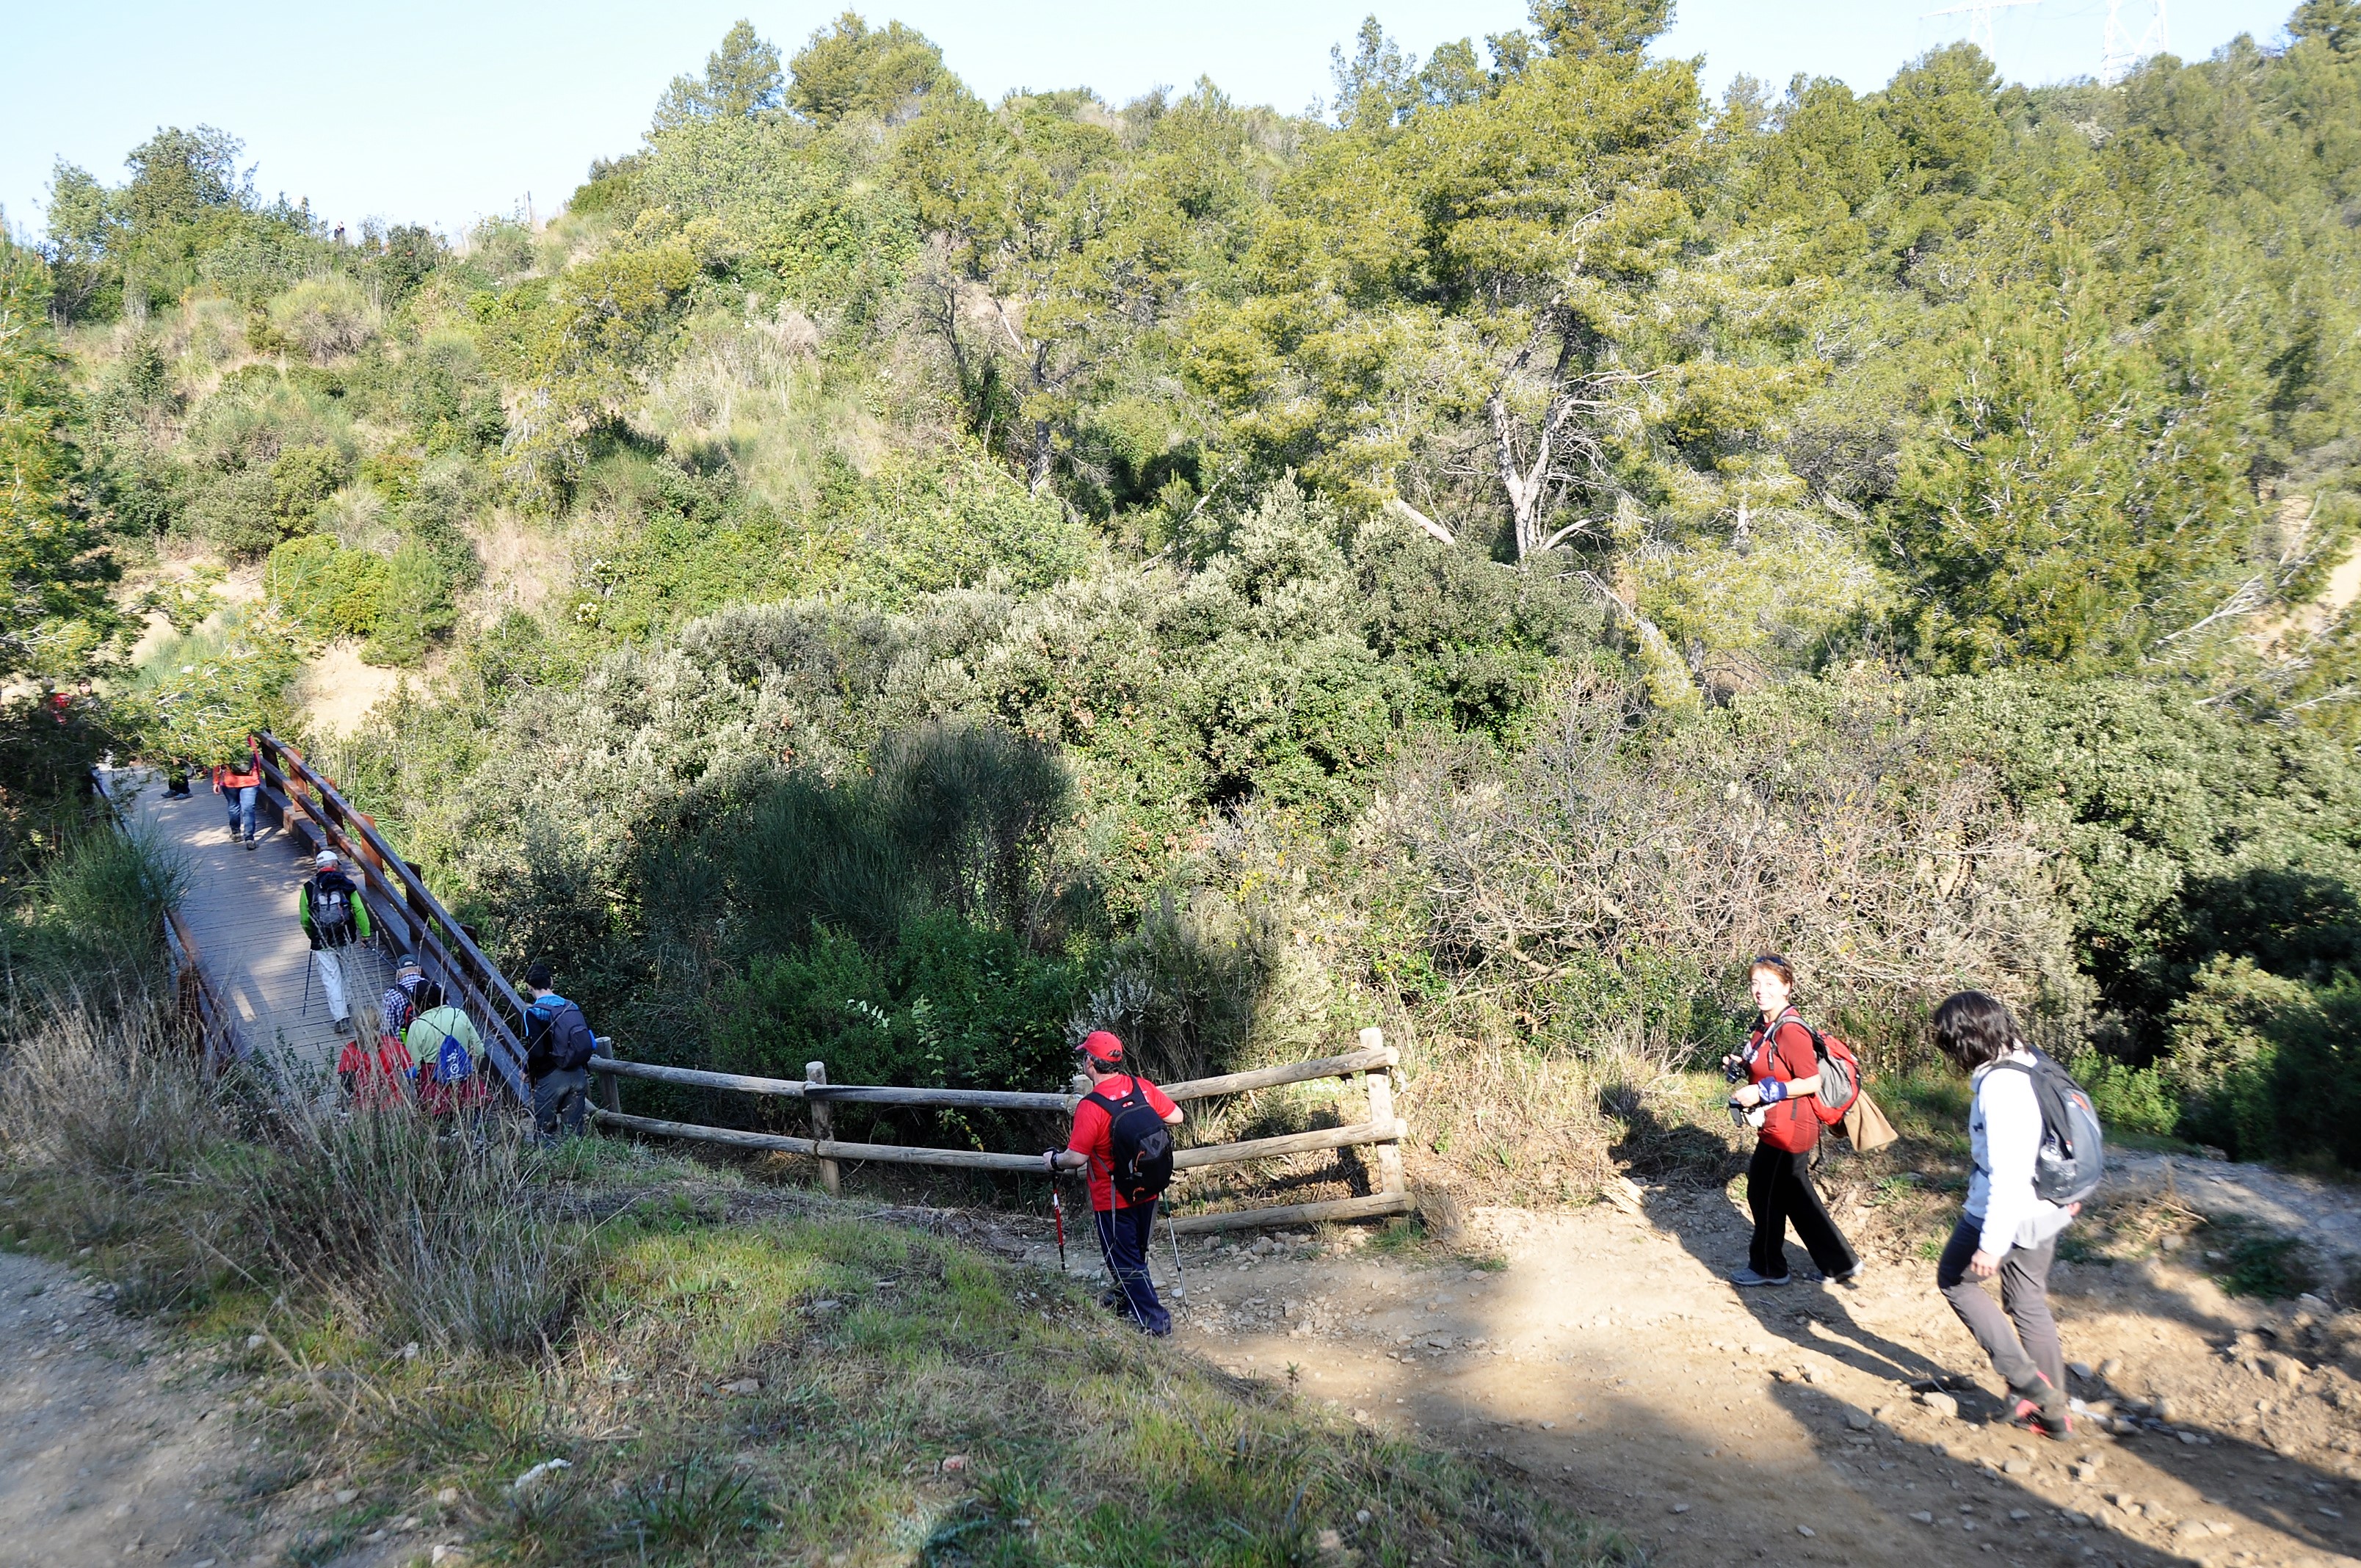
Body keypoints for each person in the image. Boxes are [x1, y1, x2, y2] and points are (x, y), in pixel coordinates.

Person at [1931, 990, 2080, 1438]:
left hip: (2009, 1212)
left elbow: (2008, 1173)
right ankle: (2054, 1415)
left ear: (1966, 1040)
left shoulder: (2000, 1086)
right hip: (2047, 1206)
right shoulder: (2033, 1061)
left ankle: (2027, 1383)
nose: (1950, 1055)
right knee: (2028, 1302)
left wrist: (1992, 1245)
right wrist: (2073, 1193)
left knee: (1955, 1280)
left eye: (1949, 1044)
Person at [1723, 953, 1860, 1288]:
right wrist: (1740, 1065)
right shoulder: (1765, 1026)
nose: (1761, 990)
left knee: (1763, 1193)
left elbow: (1812, 1082)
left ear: (1787, 987)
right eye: (1756, 983)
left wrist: (1761, 1091)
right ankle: (1841, 1263)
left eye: (1770, 983)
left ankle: (1769, 1268)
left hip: (1791, 1128)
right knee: (1794, 1194)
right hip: (1778, 1125)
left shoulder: (1790, 1030)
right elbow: (1768, 1064)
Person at [1044, 1031, 1183, 1336]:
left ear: (1091, 1063)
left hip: (1113, 1198)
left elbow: (1076, 1158)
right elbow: (1176, 1116)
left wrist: (1053, 1161)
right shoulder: (1141, 1087)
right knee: (1134, 1253)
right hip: (1149, 1187)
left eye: (1085, 1055)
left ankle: (1156, 1322)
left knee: (1124, 1259)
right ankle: (1121, 1299)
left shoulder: (1091, 1107)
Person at [297, 849, 371, 1037]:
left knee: (331, 977)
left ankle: (341, 1018)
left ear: (318, 867)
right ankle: (347, 1003)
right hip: (344, 936)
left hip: (322, 941)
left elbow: (305, 918)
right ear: (335, 865)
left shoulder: (308, 887)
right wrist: (365, 934)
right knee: (346, 971)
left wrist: (312, 935)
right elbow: (359, 910)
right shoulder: (346, 884)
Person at [523, 962, 599, 1138]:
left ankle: (548, 1156)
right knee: (573, 1132)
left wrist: (527, 1070)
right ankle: (576, 1156)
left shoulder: (533, 1012)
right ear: (551, 981)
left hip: (552, 1078)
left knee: (545, 1131)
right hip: (578, 1074)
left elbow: (537, 1051)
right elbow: (592, 1042)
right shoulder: (571, 1006)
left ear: (529, 986)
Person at [407, 980, 491, 1116]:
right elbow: (479, 1050)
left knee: (443, 1127)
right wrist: (470, 1066)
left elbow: (414, 1066)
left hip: (436, 1093)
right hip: (467, 1086)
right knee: (474, 1124)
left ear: (416, 1002)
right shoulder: (459, 1014)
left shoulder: (417, 1026)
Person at [212, 738, 263, 851]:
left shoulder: (223, 738)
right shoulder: (247, 738)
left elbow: (217, 762)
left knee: (233, 806)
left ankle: (236, 833)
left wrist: (216, 781)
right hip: (250, 780)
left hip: (229, 781)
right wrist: (258, 775)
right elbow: (255, 757)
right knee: (248, 809)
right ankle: (249, 839)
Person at [380, 954, 427, 1040]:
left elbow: (387, 1026)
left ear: (398, 974)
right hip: (433, 1037)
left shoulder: (391, 994)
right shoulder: (434, 986)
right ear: (419, 970)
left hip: (406, 1041)